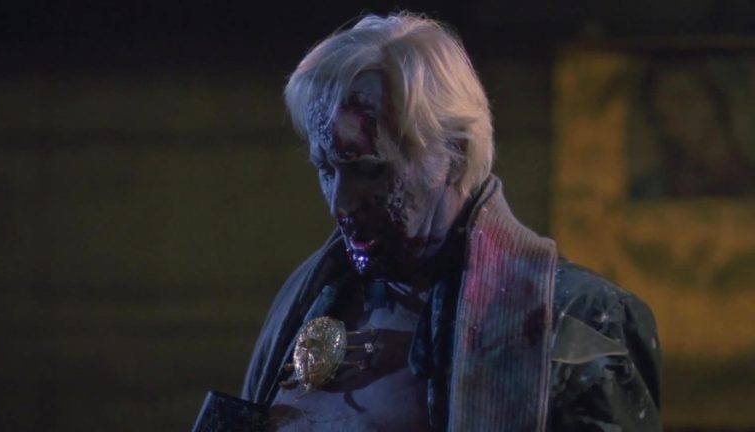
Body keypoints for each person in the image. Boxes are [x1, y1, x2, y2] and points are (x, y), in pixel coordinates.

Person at [243, 12, 661, 431]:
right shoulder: (312, 298)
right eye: (326, 169)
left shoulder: (576, 320)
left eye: (370, 170)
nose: (340, 204)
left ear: (454, 154)